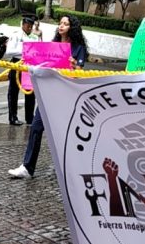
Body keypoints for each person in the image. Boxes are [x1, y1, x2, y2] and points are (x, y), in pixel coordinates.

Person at [8, 14, 87, 179]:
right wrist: (28, 58)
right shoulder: (52, 46)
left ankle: (75, 170)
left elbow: (80, 73)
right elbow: (40, 62)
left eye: (66, 23)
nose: (61, 26)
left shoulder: (78, 48)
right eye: (60, 23)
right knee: (36, 128)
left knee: (66, 134)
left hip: (65, 96)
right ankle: (27, 167)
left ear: (72, 28)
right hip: (48, 94)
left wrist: (74, 65)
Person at [6, 16, 42, 125]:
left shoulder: (35, 37)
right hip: (17, 63)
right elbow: (9, 51)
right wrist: (25, 51)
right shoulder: (16, 35)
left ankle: (29, 118)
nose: (29, 28)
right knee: (13, 92)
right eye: (27, 26)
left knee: (30, 92)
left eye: (31, 26)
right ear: (23, 25)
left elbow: (38, 50)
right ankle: (13, 118)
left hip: (29, 65)